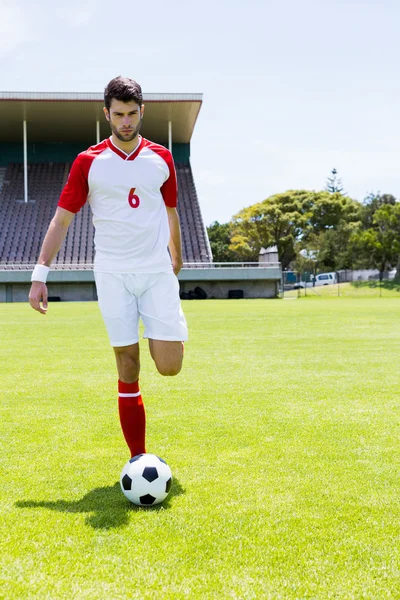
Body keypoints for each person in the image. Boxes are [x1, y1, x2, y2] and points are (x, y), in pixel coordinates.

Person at [29, 76, 188, 458]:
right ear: (107, 114)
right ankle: (137, 457)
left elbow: (171, 212)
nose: (127, 122)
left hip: (154, 271)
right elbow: (61, 219)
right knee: (127, 364)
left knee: (169, 367)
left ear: (142, 111)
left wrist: (177, 258)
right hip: (112, 274)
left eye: (133, 113)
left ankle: (170, 329)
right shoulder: (89, 162)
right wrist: (39, 274)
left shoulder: (162, 158)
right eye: (119, 114)